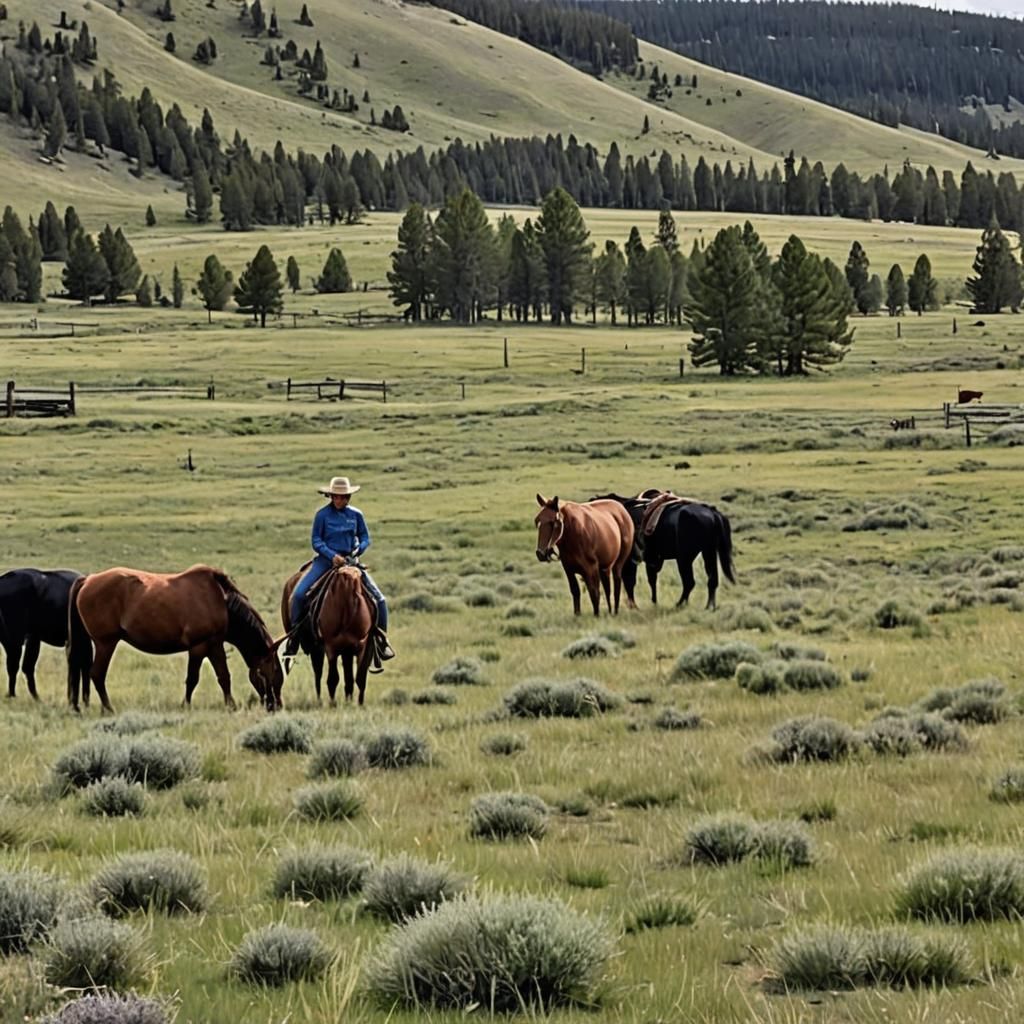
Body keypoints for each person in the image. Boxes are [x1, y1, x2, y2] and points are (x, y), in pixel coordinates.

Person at [286, 476, 394, 661]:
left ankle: (380, 642)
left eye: (343, 497)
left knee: (380, 600)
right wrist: (331, 556)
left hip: (351, 562)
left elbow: (365, 537)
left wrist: (359, 550)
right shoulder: (322, 515)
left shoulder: (356, 515)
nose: (339, 500)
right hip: (325, 562)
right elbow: (316, 540)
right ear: (330, 496)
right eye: (336, 496)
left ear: (348, 497)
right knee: (298, 595)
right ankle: (295, 637)